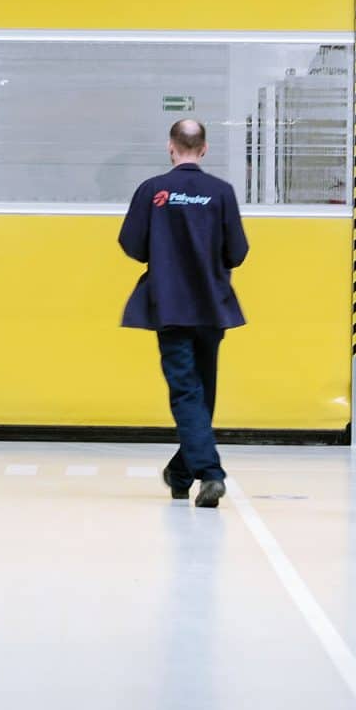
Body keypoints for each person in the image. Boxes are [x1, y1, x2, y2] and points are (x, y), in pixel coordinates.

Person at [116, 118, 248, 509]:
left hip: (170, 306)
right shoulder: (221, 192)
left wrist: (164, 250)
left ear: (171, 148)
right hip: (211, 306)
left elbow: (132, 244)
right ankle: (187, 471)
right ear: (204, 149)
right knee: (203, 393)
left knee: (189, 394)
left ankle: (206, 473)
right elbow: (237, 252)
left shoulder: (153, 190)